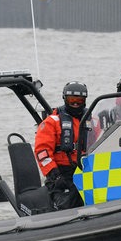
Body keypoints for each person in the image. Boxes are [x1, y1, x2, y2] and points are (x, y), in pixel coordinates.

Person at [34, 81, 88, 210]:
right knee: (68, 202)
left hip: (86, 169)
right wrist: (55, 175)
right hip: (62, 172)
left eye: (79, 100)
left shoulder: (92, 120)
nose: (75, 103)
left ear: (84, 101)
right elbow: (42, 152)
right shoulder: (52, 122)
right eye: (72, 100)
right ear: (65, 99)